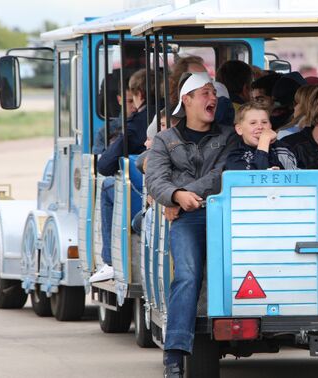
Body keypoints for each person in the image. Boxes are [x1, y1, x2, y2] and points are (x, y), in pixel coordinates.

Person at [145, 72, 237, 378]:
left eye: (214, 93)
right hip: (191, 217)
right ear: (187, 100)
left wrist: (185, 193)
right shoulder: (164, 139)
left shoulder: (229, 136)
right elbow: (155, 179)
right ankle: (175, 353)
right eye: (205, 93)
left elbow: (224, 173)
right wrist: (173, 196)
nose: (213, 99)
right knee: (186, 275)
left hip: (226, 212)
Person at [90, 69, 153, 283]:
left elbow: (105, 165)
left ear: (139, 94)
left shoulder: (136, 123)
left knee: (108, 185)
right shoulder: (168, 112)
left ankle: (109, 260)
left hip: (148, 197)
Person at [225, 102, 297, 170]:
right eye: (253, 123)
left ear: (270, 126)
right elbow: (256, 180)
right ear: (239, 129)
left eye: (264, 122)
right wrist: (263, 143)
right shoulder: (235, 157)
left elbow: (294, 180)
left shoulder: (283, 150)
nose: (260, 127)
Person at [92, 79, 136, 155]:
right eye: (130, 101)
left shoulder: (149, 126)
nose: (135, 106)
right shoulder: (105, 133)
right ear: (119, 100)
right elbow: (100, 162)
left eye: (138, 101)